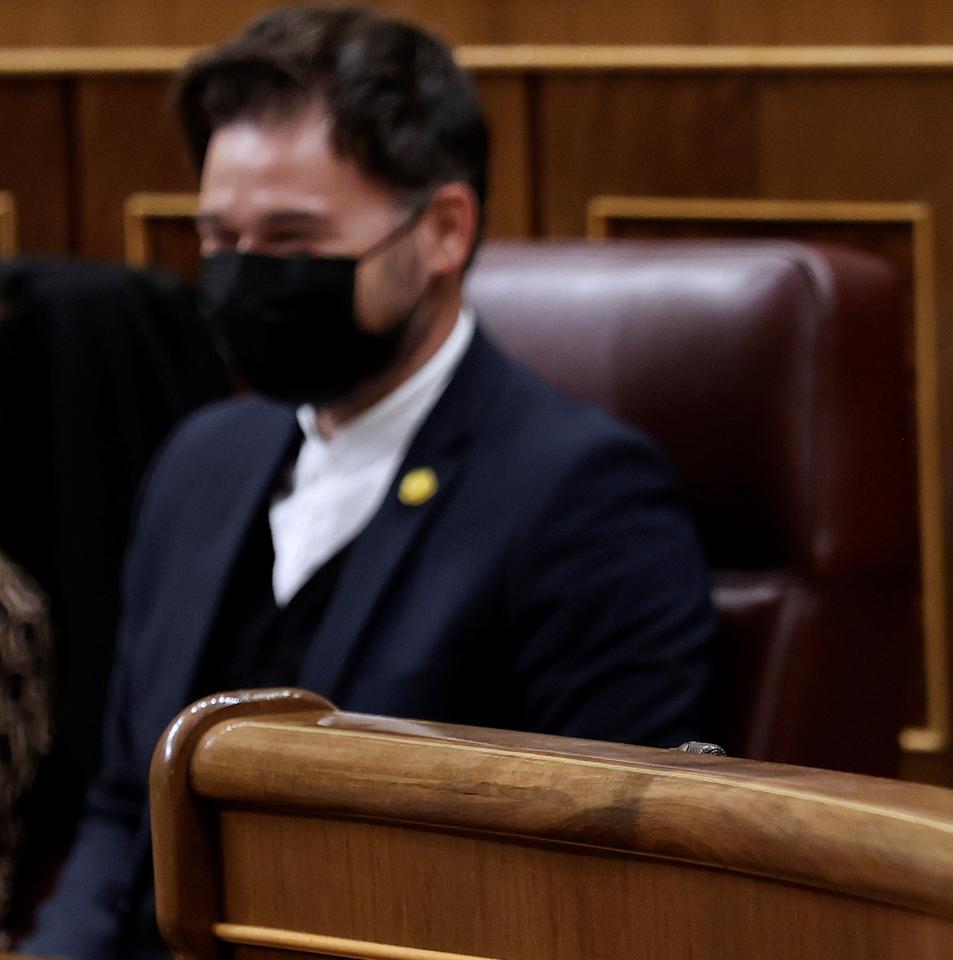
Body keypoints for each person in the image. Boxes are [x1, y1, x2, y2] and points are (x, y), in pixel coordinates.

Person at [21, 8, 716, 959]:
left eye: (293, 241)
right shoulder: (200, 459)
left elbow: (598, 888)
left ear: (441, 230)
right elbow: (118, 812)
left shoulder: (584, 497)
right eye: (221, 238)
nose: (242, 278)